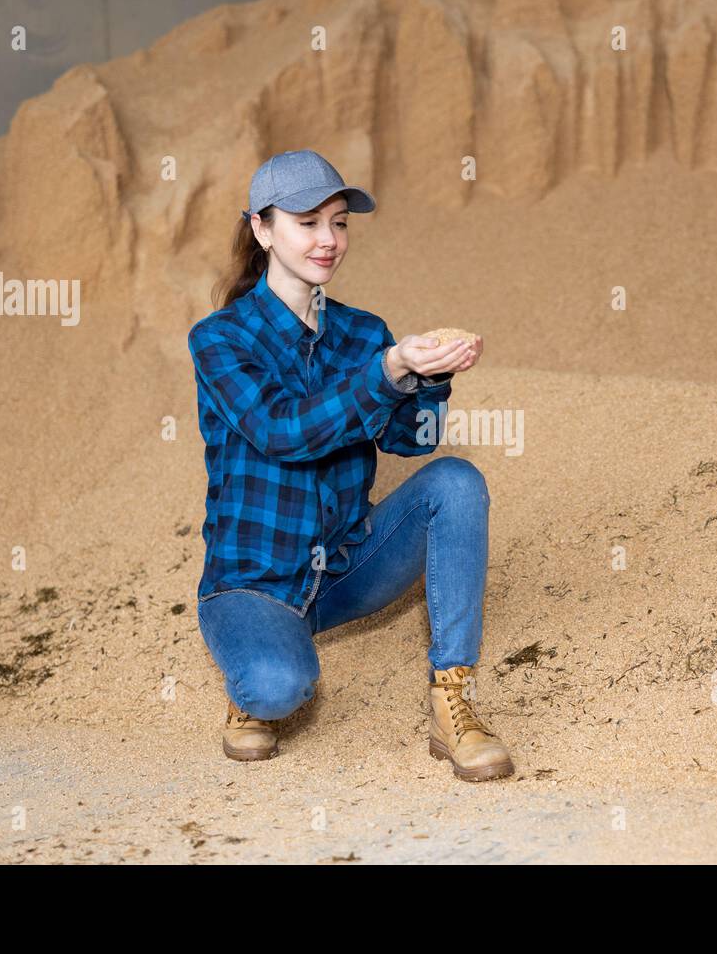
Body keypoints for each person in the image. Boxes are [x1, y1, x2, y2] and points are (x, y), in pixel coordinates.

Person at [186, 149, 513, 782]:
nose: (328, 240)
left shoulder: (364, 334)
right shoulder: (219, 339)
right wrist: (385, 372)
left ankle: (453, 704)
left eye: (339, 223)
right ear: (260, 228)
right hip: (253, 581)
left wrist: (428, 379)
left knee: (456, 481)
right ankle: (253, 680)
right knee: (281, 687)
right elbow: (283, 432)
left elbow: (411, 443)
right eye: (307, 222)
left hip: (343, 568)